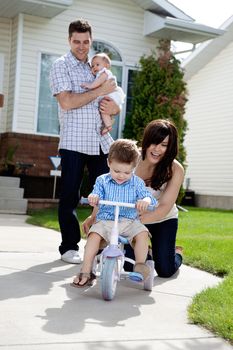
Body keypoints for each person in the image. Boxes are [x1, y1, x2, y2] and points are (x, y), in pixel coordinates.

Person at [49, 19, 120, 264]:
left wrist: (114, 108)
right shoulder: (61, 65)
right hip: (74, 142)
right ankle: (69, 247)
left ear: (91, 40)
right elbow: (67, 102)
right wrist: (98, 92)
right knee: (70, 195)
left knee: (107, 196)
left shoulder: (97, 67)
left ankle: (100, 248)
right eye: (77, 41)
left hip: (100, 141)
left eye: (86, 42)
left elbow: (113, 100)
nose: (81, 46)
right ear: (69, 40)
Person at [83, 119, 184, 278]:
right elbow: (108, 189)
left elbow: (164, 206)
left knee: (165, 269)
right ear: (146, 140)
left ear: (169, 147)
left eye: (164, 145)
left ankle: (176, 254)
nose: (157, 149)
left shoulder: (175, 169)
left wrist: (132, 223)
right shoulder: (131, 157)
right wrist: (94, 215)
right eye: (154, 143)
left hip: (162, 219)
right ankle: (148, 251)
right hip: (130, 218)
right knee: (130, 265)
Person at [72, 139, 157, 287]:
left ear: (134, 168)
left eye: (127, 172)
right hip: (105, 221)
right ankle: (86, 271)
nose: (121, 175)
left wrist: (146, 201)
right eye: (117, 171)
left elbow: (148, 197)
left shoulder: (137, 183)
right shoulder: (102, 181)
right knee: (93, 236)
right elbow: (96, 193)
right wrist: (94, 197)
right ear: (109, 163)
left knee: (142, 234)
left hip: (129, 222)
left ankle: (140, 265)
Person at [81, 53, 125, 135]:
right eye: (92, 66)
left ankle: (108, 124)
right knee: (103, 109)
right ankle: (108, 125)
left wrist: (90, 85)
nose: (94, 67)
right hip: (109, 94)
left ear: (107, 66)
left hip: (113, 94)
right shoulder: (98, 74)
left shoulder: (104, 72)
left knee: (103, 107)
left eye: (97, 64)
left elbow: (100, 81)